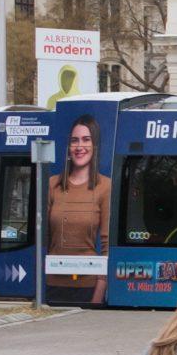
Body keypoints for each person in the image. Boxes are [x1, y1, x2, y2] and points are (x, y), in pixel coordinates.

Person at [45, 113, 108, 305]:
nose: (79, 146)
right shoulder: (52, 185)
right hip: (53, 286)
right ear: (68, 147)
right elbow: (43, 239)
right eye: (74, 141)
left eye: (86, 140)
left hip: (87, 288)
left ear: (95, 145)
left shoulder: (105, 187)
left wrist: (98, 296)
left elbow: (107, 246)